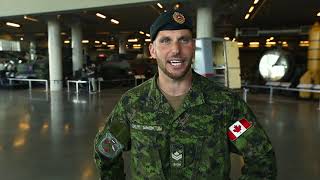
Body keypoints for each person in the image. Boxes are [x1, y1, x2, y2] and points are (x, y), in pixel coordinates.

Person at [94, 9, 277, 180]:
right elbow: (106, 152)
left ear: (193, 46)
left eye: (184, 40)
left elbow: (261, 157)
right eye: (165, 40)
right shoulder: (132, 104)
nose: (176, 50)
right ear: (152, 50)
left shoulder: (225, 103)